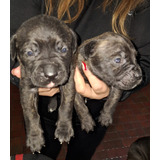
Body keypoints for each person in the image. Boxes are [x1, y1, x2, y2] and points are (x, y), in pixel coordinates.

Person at [10, 0, 150, 160]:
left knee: (80, 154)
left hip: (94, 112)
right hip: (46, 107)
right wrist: (15, 70)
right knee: (42, 150)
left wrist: (116, 89)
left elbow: (148, 60)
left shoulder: (144, 6)